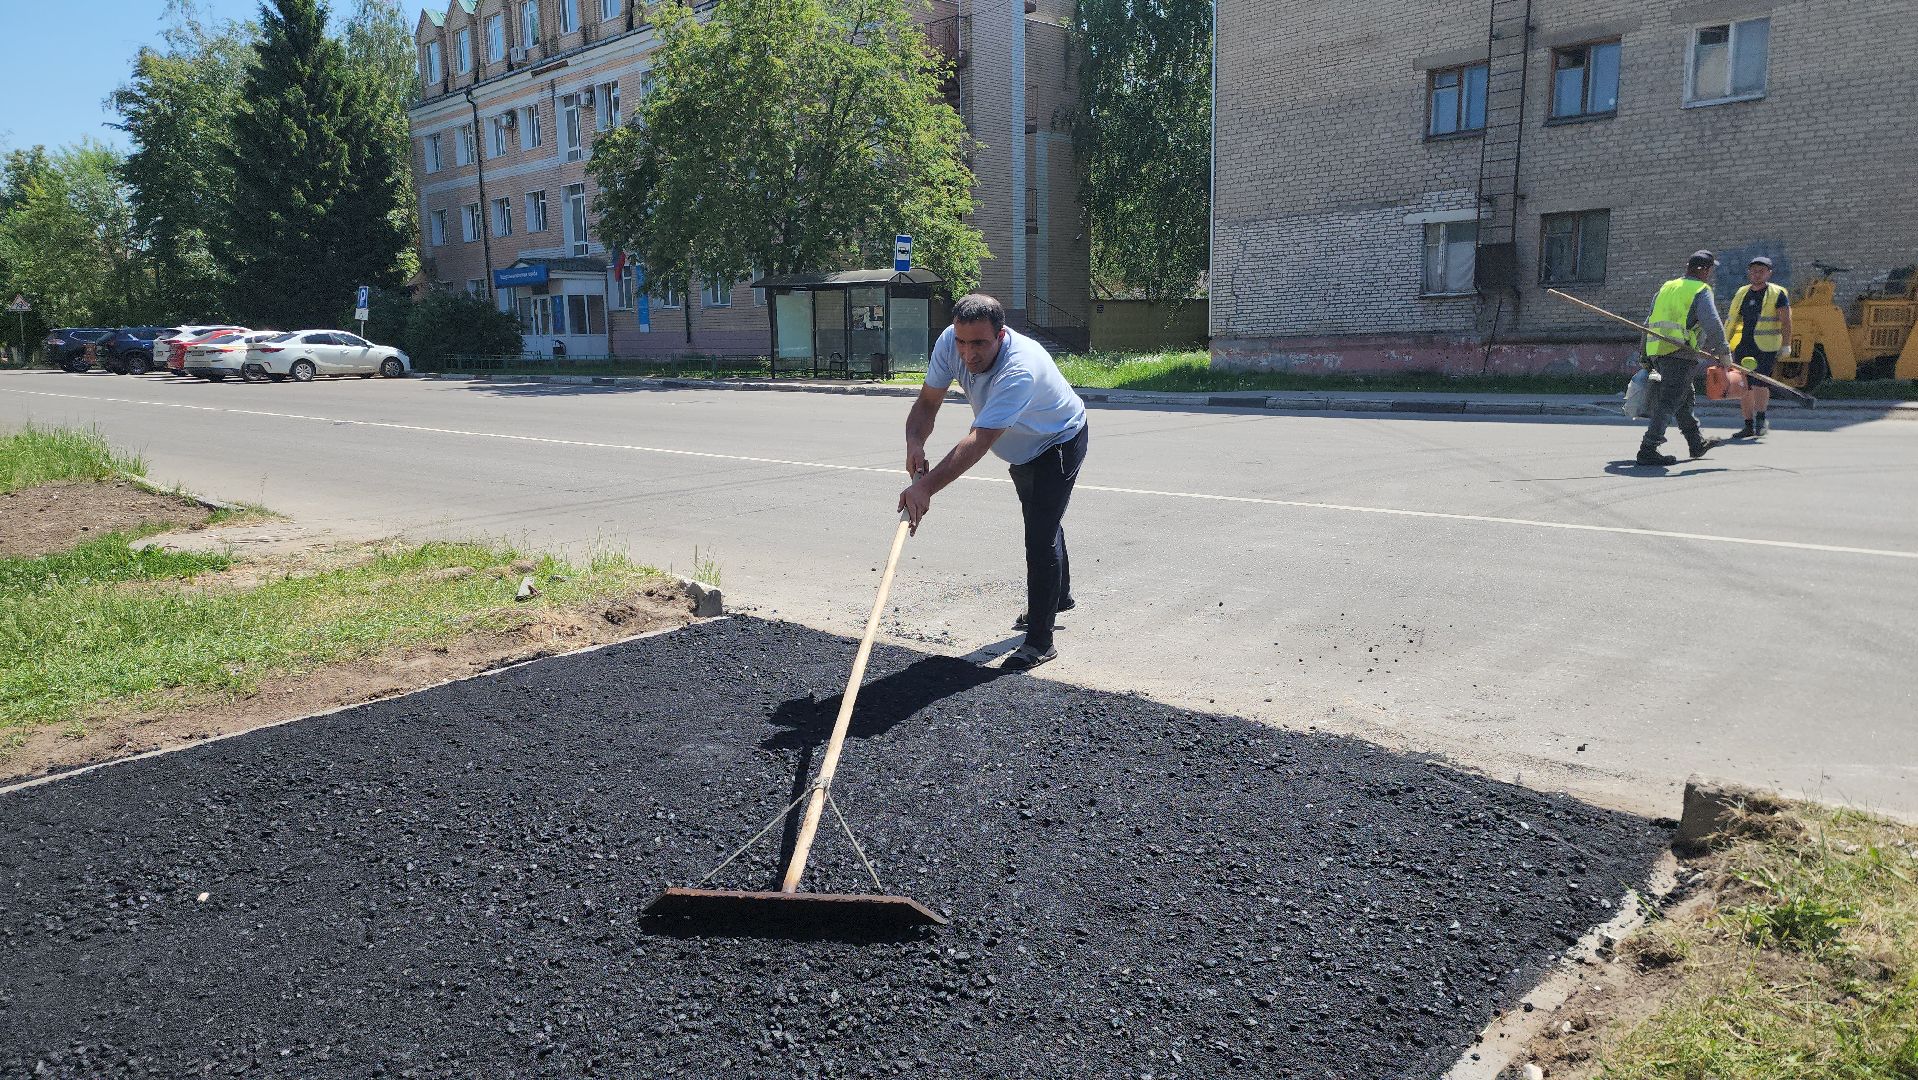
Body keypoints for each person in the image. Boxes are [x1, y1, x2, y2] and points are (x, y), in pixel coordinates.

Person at [900, 293, 1088, 671]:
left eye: (979, 344)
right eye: (962, 342)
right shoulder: (949, 342)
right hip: (1021, 450)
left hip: (1057, 441)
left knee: (1040, 533)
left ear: (1001, 336)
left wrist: (925, 487)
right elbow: (927, 403)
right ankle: (1059, 595)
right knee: (1043, 517)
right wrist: (915, 443)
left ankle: (1040, 640)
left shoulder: (1020, 368)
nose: (968, 354)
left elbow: (979, 440)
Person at [1636, 251, 1732, 467]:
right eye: (1710, 270)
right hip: (1681, 353)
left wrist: (1644, 353)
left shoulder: (1667, 287)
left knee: (1684, 398)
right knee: (1670, 400)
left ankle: (1696, 442)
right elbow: (1712, 321)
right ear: (1705, 270)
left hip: (1659, 351)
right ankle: (1648, 449)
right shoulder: (1700, 290)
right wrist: (1724, 352)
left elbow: (1647, 322)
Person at [1725, 256, 1794, 439]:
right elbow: (1732, 319)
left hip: (1766, 346)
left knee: (1760, 383)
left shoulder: (1777, 293)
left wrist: (1786, 345)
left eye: (1761, 271)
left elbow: (1786, 322)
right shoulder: (1742, 292)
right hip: (1744, 345)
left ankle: (1761, 421)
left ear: (1769, 273)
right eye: (1754, 271)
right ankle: (1748, 425)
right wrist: (1724, 344)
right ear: (1749, 272)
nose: (1757, 274)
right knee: (1744, 385)